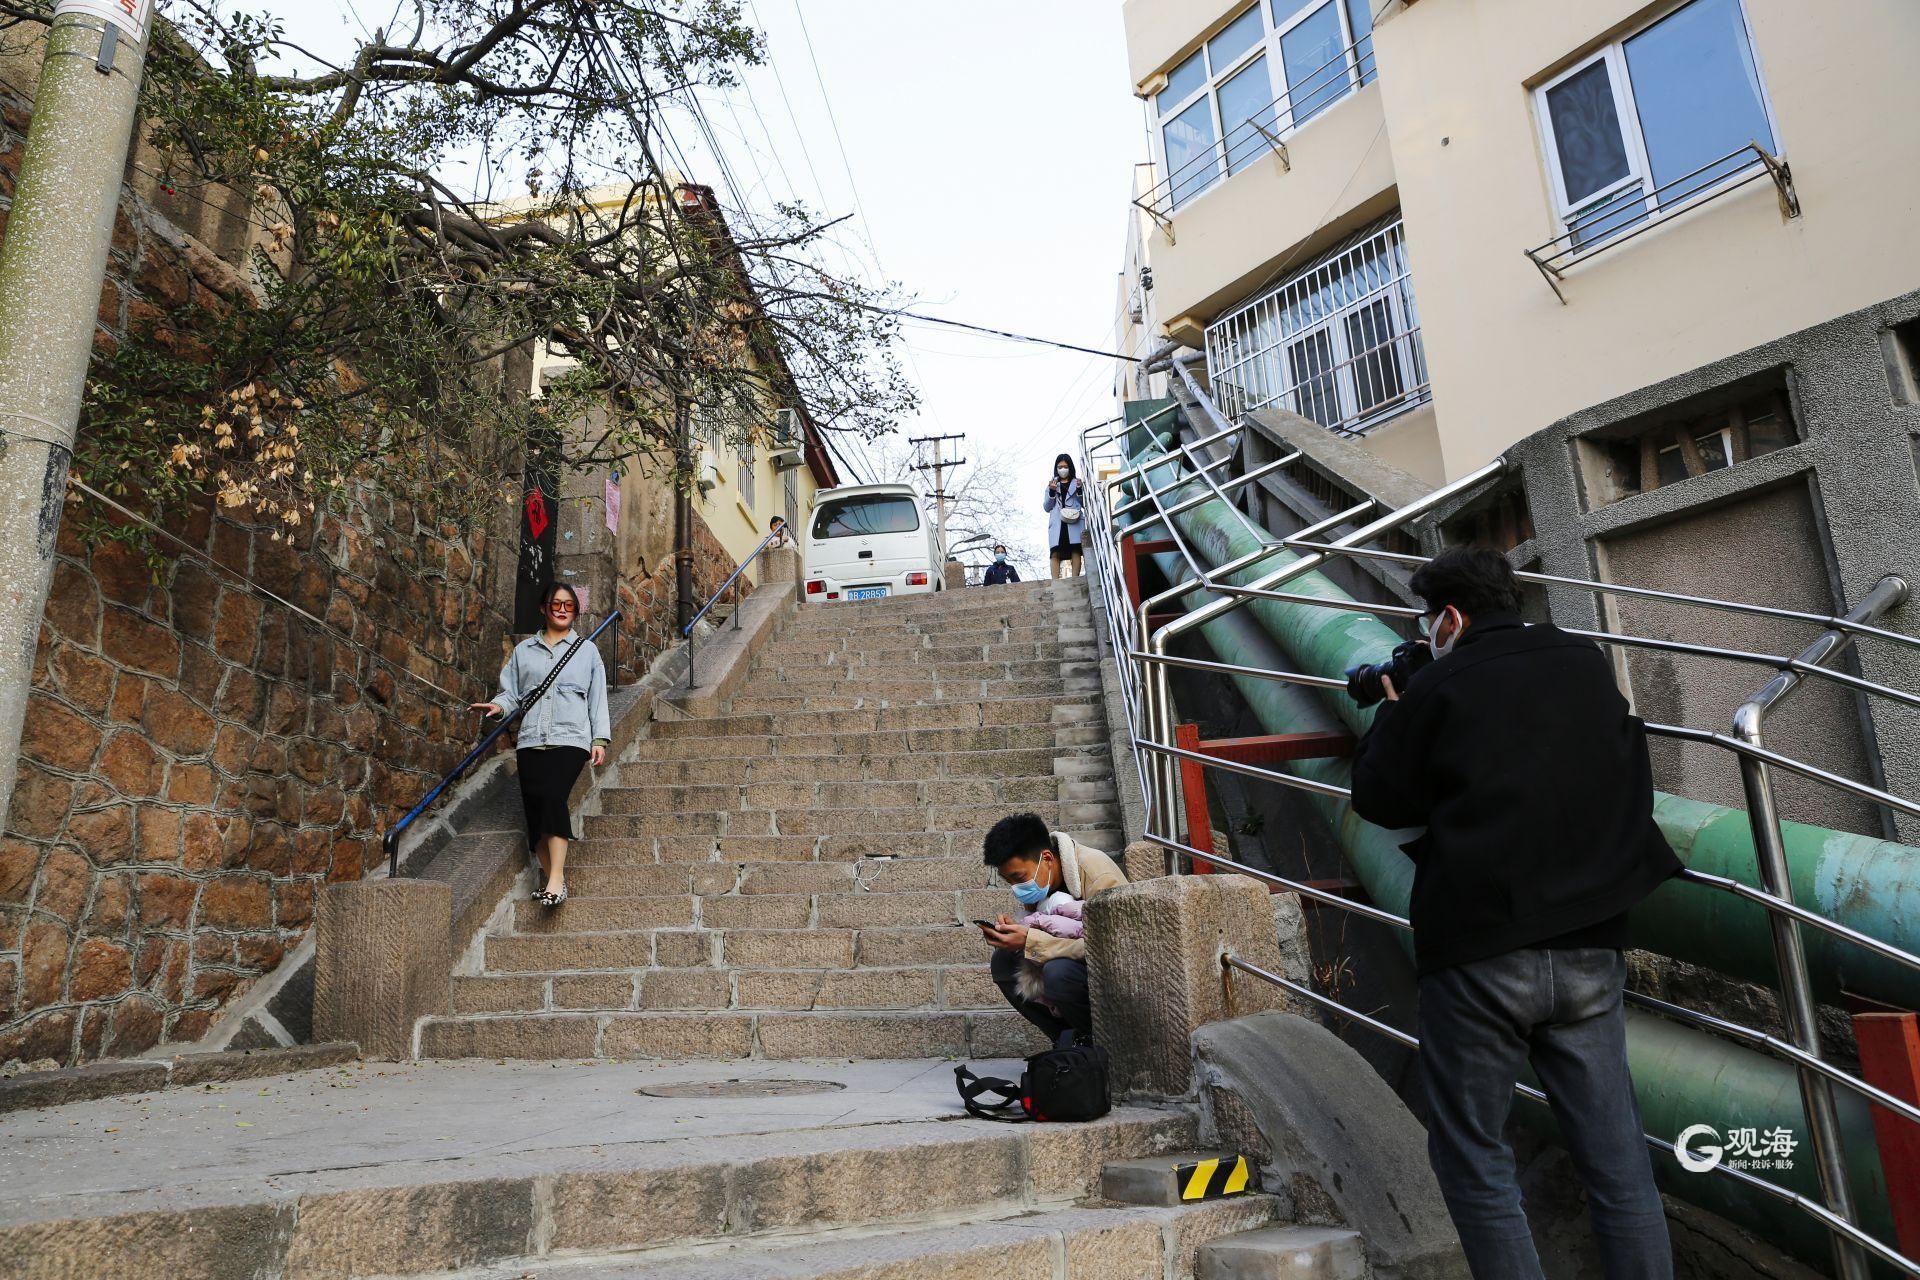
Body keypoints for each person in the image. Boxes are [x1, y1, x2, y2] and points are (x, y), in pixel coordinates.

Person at [1349, 547, 1682, 1280]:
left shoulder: (1438, 686)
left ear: (1452, 618)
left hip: (1479, 954)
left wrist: (1396, 705)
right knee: (1619, 1164)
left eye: (1428, 621)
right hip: (1592, 942)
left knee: (1475, 1160)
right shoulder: (1583, 663)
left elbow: (1378, 797)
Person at [469, 583, 611, 907]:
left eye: (569, 605)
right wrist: (498, 707)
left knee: (552, 797)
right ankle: (551, 881)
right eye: (556, 604)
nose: (562, 610)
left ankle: (557, 877)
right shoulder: (523, 652)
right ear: (544, 608)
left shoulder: (587, 651)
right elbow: (511, 694)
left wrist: (599, 738)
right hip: (531, 739)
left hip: (571, 738)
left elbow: (597, 698)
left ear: (575, 612)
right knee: (535, 810)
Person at [978, 812, 1126, 1046]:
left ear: (1047, 859)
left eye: (1019, 878)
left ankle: (1100, 1045)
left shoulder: (1097, 874)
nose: (1016, 889)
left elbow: (1115, 946)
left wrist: (1030, 941)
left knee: (1058, 972)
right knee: (1002, 962)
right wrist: (1019, 929)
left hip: (1111, 973)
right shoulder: (1043, 877)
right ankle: (1066, 1042)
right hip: (1070, 960)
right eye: (1010, 882)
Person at [1043, 453, 1085, 579]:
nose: (1062, 469)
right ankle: (1055, 580)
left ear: (1070, 467)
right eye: (1060, 467)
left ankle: (1075, 578)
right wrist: (1051, 491)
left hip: (1074, 520)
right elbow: (1046, 507)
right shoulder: (1052, 484)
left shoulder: (1077, 483)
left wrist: (1079, 490)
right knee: (1055, 551)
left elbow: (1084, 504)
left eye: (1065, 466)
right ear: (1056, 468)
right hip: (1058, 522)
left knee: (1075, 549)